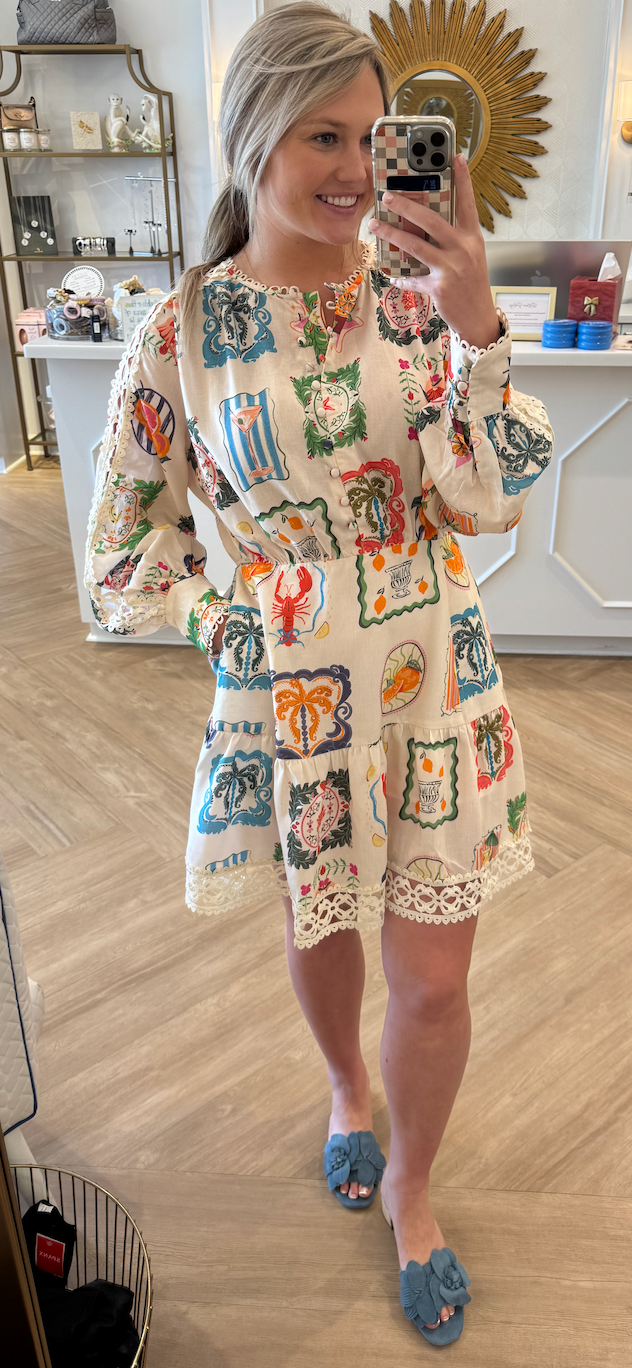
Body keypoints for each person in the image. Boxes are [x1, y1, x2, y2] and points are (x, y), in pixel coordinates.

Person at [84, 1, 553, 1346]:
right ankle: (348, 1088)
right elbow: (120, 553)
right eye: (323, 137)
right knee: (323, 922)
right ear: (253, 141)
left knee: (438, 977)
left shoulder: (423, 300)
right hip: (294, 697)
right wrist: (236, 622)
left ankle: (412, 1186)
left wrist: (477, 325)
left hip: (435, 676)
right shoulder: (181, 331)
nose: (356, 169)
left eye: (374, 136)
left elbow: (487, 502)